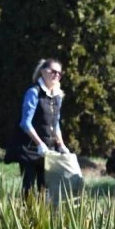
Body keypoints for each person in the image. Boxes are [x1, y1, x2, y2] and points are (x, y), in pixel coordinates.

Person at [13, 58, 70, 194]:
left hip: (48, 149)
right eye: (53, 71)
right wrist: (39, 144)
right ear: (43, 72)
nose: (56, 75)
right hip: (29, 149)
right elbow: (25, 123)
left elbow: (55, 123)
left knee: (45, 188)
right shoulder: (33, 93)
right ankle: (27, 214)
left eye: (59, 73)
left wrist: (61, 145)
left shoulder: (57, 96)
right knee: (29, 189)